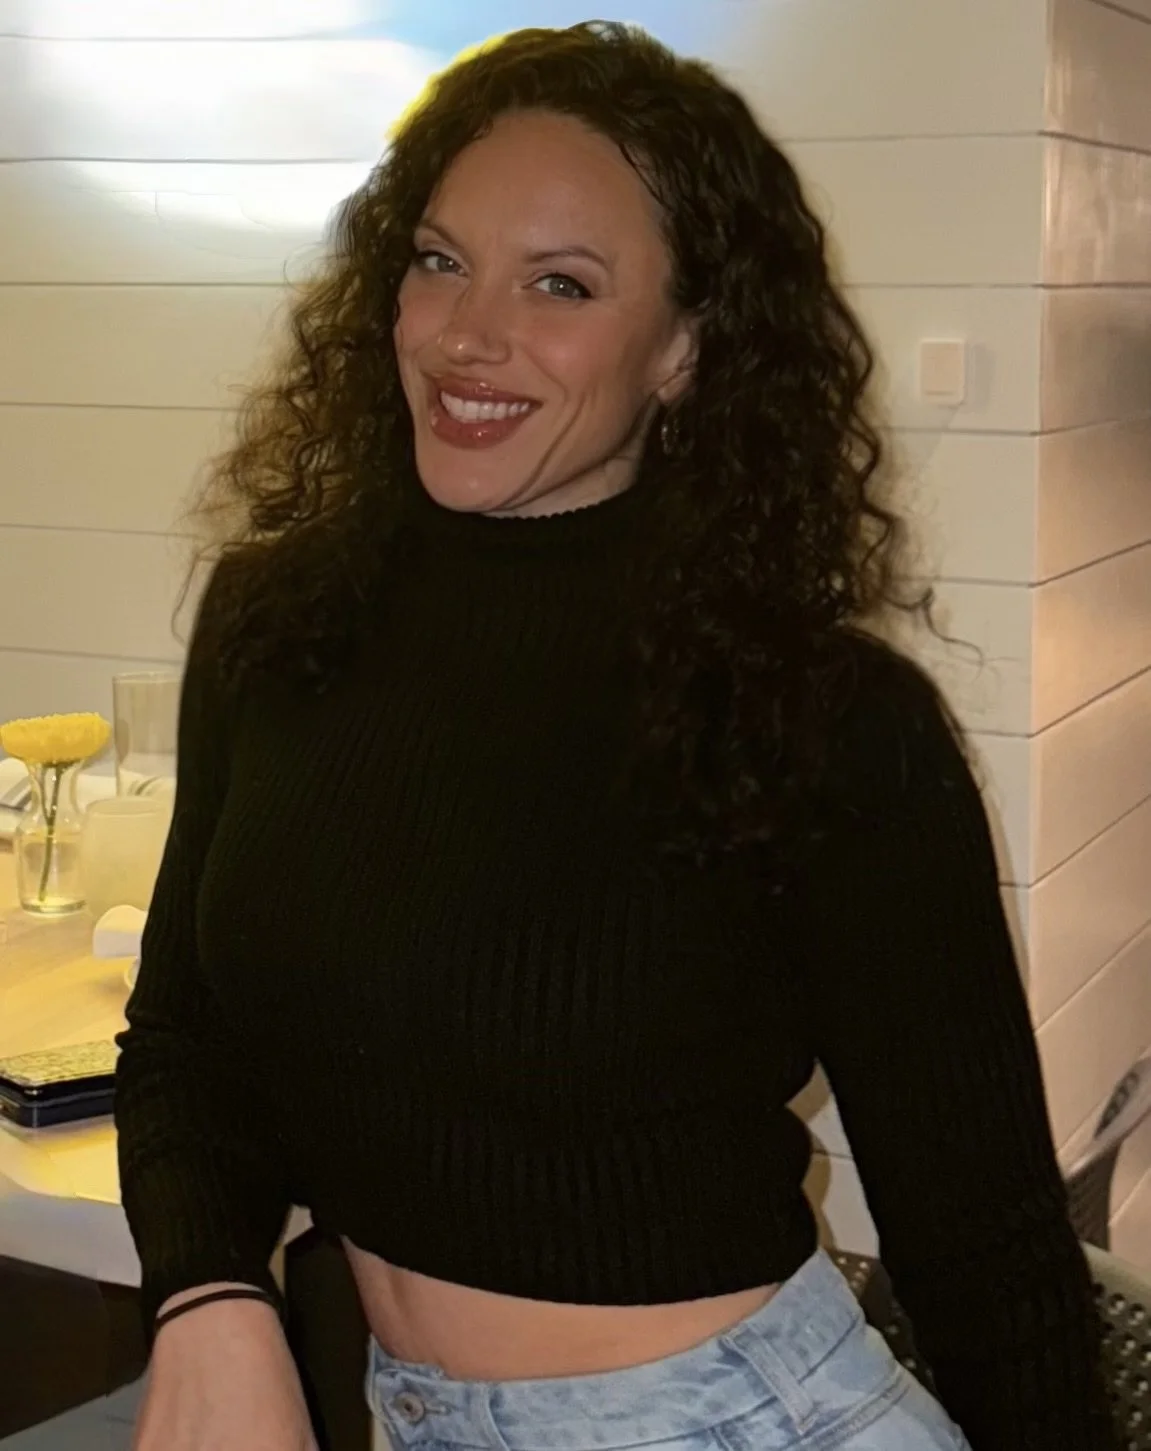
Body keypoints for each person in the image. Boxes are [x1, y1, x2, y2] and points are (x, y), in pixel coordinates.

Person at [115, 20, 1116, 1451]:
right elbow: (183, 1038)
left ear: (686, 349)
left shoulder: (824, 719)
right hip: (409, 1414)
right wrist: (208, 1299)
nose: (467, 335)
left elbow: (983, 1240)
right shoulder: (280, 623)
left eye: (562, 286)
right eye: (438, 259)